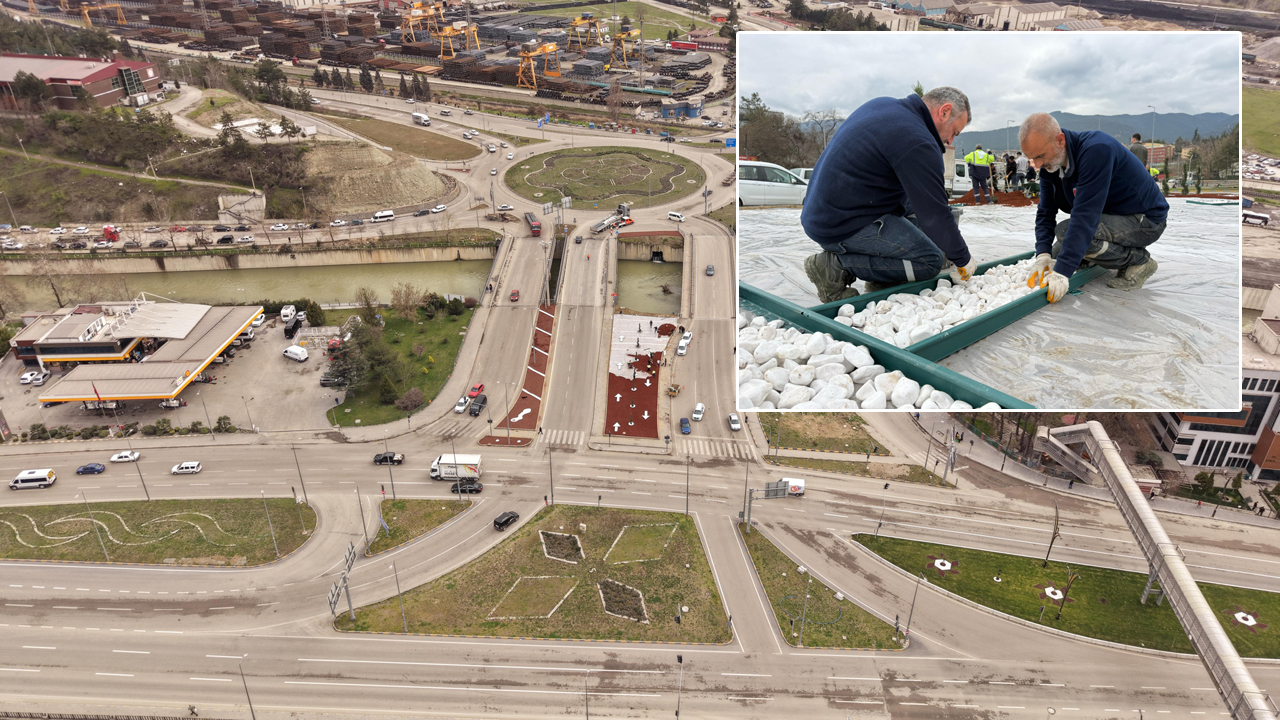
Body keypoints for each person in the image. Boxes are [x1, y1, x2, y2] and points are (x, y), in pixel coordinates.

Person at [800, 86, 977, 303]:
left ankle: (884, 277)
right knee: (929, 261)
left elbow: (922, 200)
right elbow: (934, 215)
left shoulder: (884, 105)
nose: (950, 141)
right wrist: (963, 258)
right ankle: (835, 266)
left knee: (915, 207)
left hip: (826, 210)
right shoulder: (917, 139)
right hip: (839, 223)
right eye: (954, 132)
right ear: (945, 111)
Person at [1020, 113, 1165, 302]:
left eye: (1040, 156)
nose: (1037, 165)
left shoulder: (1096, 150)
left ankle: (1139, 261)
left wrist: (1063, 272)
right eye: (1032, 159)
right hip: (1110, 217)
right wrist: (1043, 254)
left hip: (1144, 220)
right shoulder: (1051, 167)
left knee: (1066, 234)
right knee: (1057, 253)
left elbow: (1085, 216)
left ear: (1060, 140)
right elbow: (1046, 212)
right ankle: (1092, 255)